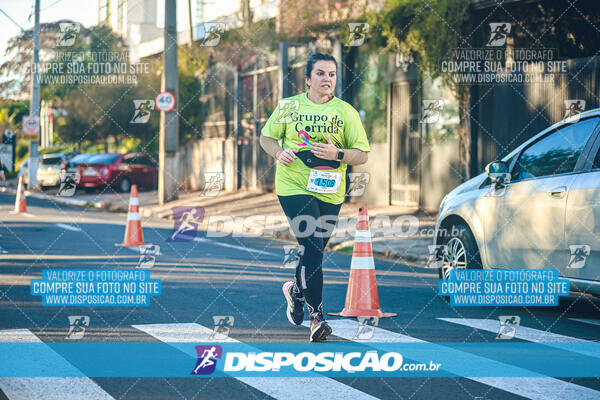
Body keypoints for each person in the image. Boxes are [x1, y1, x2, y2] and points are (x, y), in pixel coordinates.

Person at [260, 52, 370, 342]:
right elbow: (267, 137)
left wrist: (339, 154)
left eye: (332, 74)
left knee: (315, 250)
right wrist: (278, 152)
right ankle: (317, 317)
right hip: (294, 184)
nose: (327, 79)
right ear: (308, 79)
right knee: (312, 247)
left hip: (331, 189)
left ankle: (295, 291)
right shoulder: (289, 106)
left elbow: (362, 155)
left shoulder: (346, 112)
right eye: (320, 74)